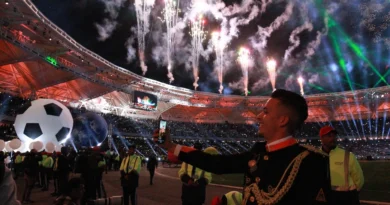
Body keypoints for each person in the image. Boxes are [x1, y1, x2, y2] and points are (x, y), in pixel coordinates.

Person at [160, 89, 332, 204]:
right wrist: (171, 146)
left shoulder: (312, 162)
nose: (258, 117)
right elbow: (217, 164)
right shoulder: (258, 152)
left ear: (283, 120)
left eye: (265, 112)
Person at [319, 126, 364, 205]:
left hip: (347, 198)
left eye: (334, 136)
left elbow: (359, 180)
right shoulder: (315, 155)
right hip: (324, 198)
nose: (333, 138)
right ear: (322, 138)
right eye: (329, 135)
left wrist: (352, 195)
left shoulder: (348, 155)